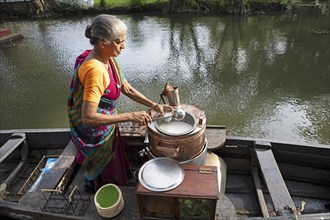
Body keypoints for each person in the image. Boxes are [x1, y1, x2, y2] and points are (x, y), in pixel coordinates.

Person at [67, 14, 164, 192]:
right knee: (104, 168)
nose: (123, 46)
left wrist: (154, 105)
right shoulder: (95, 71)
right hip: (96, 131)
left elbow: (126, 88)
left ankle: (115, 180)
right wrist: (131, 116)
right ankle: (98, 187)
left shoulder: (107, 58)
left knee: (114, 158)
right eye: (119, 42)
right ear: (103, 42)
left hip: (108, 123)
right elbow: (88, 117)